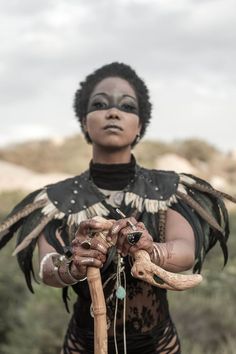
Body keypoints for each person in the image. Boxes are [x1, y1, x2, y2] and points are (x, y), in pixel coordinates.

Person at [0, 62, 235, 354]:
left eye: (126, 106)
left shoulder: (170, 189)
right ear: (85, 121)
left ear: (140, 125)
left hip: (159, 346)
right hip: (83, 346)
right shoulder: (56, 200)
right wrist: (73, 262)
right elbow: (48, 267)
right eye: (100, 104)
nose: (113, 112)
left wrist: (151, 251)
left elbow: (184, 252)